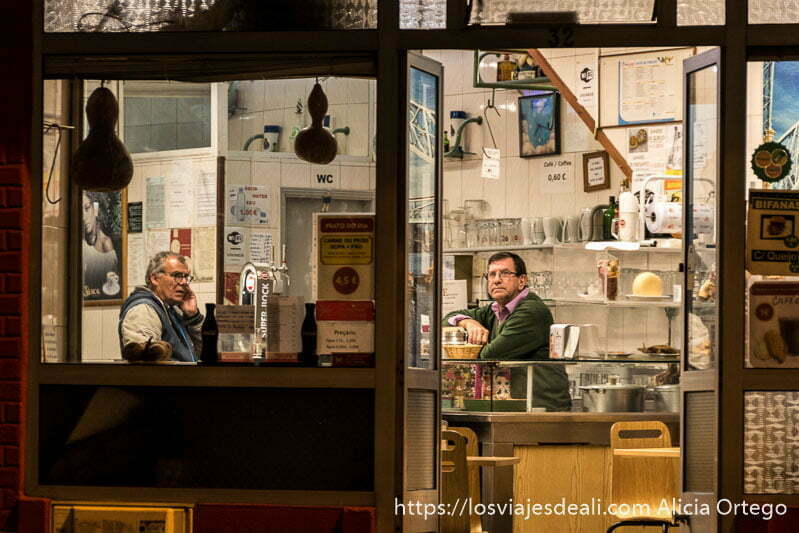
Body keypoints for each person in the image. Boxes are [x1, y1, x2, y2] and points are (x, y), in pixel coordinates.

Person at [442, 252, 571, 411]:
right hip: (515, 405)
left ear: (522, 280)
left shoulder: (531, 311)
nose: (496, 280)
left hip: (543, 409)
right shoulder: (494, 310)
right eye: (491, 274)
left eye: (505, 274)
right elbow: (446, 319)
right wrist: (468, 322)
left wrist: (471, 344)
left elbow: (490, 356)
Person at [118, 251, 204, 362]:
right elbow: (145, 365)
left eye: (186, 277)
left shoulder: (171, 309)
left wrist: (193, 317)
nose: (184, 282)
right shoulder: (143, 309)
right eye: (177, 276)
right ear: (154, 279)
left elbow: (203, 355)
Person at [82, 191, 120, 297]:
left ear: (96, 209)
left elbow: (112, 289)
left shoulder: (105, 244)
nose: (83, 217)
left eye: (87, 208)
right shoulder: (80, 243)